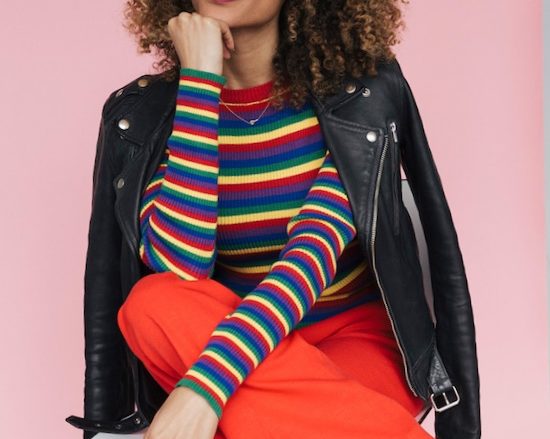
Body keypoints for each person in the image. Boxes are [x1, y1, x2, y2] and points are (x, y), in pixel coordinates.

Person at [66, 1, 481, 438]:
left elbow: (308, 259)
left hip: (354, 340)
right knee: (150, 305)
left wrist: (205, 388)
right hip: (227, 336)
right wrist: (200, 84)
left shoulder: (358, 95)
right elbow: (182, 272)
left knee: (256, 418)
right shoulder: (143, 117)